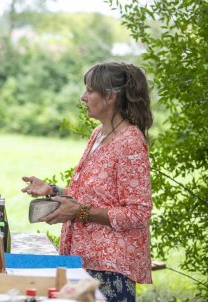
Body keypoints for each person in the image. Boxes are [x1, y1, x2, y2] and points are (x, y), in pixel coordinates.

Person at [21, 61, 153, 302]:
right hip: (83, 261)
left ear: (111, 97)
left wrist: (80, 212)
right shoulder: (98, 134)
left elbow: (138, 213)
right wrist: (53, 189)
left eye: (90, 90)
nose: (83, 97)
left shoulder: (130, 142)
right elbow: (95, 195)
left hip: (110, 269)